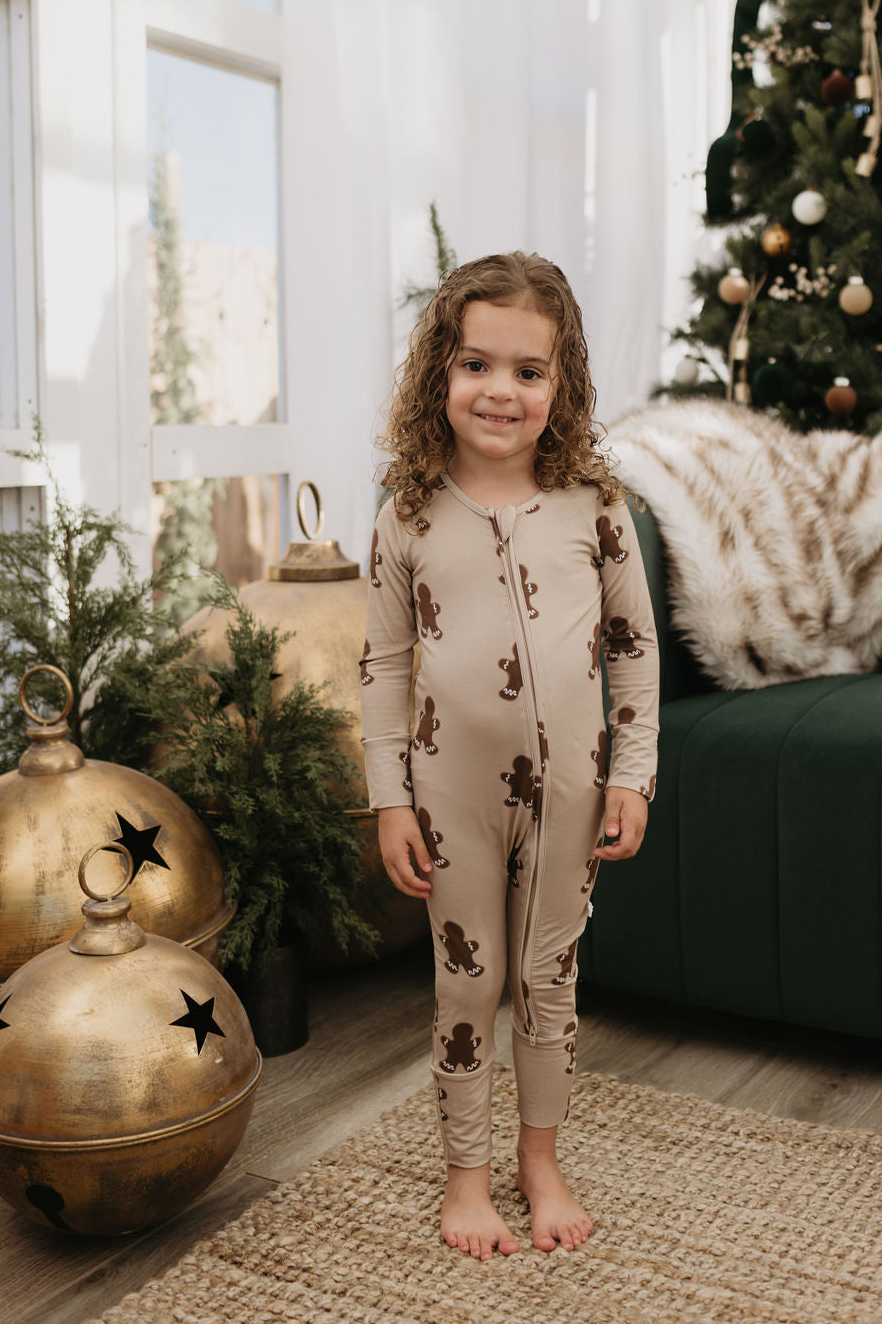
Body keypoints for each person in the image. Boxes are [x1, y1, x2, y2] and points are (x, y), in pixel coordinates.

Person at [359, 251, 659, 1260]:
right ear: (438, 372)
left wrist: (632, 774)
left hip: (571, 792)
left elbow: (632, 652)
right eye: (476, 364)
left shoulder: (595, 507)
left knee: (550, 978)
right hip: (451, 798)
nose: (500, 390)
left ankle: (540, 1159)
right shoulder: (405, 514)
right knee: (465, 981)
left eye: (529, 371)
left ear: (561, 384)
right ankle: (466, 1176)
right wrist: (387, 799)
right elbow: (383, 669)